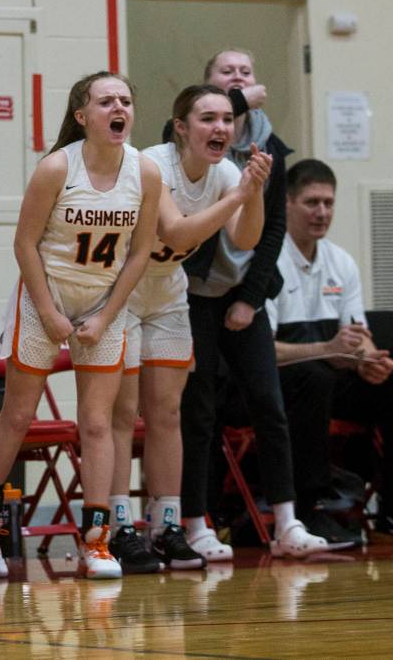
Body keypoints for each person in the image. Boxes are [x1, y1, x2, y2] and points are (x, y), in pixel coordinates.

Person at [0, 71, 160, 580]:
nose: (119, 108)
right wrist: (49, 311)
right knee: (18, 415)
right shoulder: (55, 169)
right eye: (106, 101)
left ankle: (96, 539)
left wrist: (107, 315)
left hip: (104, 302)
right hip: (43, 297)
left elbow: (140, 253)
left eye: (126, 100)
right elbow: (24, 244)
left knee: (97, 423)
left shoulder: (146, 173)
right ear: (82, 116)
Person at [107, 85, 271, 574]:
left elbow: (244, 238)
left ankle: (168, 524)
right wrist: (241, 192)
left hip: (166, 291)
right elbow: (177, 232)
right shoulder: (149, 163)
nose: (220, 127)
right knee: (123, 410)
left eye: (226, 118)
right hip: (121, 288)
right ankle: (119, 526)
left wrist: (253, 193)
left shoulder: (223, 173)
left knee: (168, 411)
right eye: (207, 118)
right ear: (182, 127)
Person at [178, 49, 327, 560]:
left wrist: (248, 297)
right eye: (227, 72)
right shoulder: (187, 136)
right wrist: (234, 102)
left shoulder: (269, 146)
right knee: (198, 411)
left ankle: (287, 521)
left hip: (243, 297)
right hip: (193, 295)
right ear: (207, 88)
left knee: (270, 403)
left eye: (246, 71)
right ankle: (196, 523)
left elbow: (273, 230)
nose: (239, 77)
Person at [267, 158, 393, 545]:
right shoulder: (268, 261)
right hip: (275, 384)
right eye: (312, 202)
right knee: (314, 377)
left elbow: (357, 336)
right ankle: (309, 509)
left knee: (387, 381)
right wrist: (327, 349)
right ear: (287, 203)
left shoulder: (341, 262)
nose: (322, 212)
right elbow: (262, 353)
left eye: (328, 203)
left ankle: (387, 506)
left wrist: (369, 360)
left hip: (325, 376)